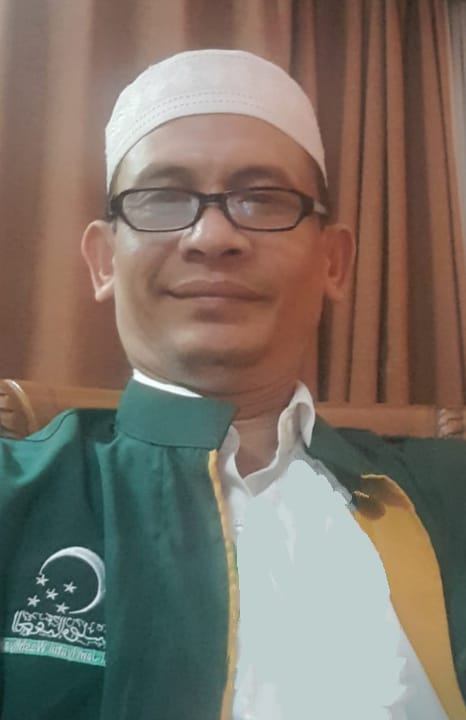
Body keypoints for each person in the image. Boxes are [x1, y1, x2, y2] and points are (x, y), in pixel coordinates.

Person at [0, 49, 465, 720]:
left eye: (262, 199)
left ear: (333, 262)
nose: (212, 236)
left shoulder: (447, 493)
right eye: (163, 198)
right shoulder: (17, 494)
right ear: (103, 262)